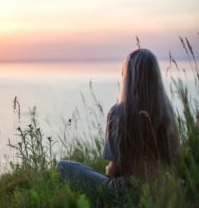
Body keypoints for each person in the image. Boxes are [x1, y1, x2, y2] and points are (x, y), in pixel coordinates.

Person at [56, 49, 180, 194]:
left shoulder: (118, 112)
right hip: (162, 189)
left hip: (126, 191)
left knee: (63, 166)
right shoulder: (167, 112)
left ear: (128, 77)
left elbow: (114, 169)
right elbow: (174, 159)